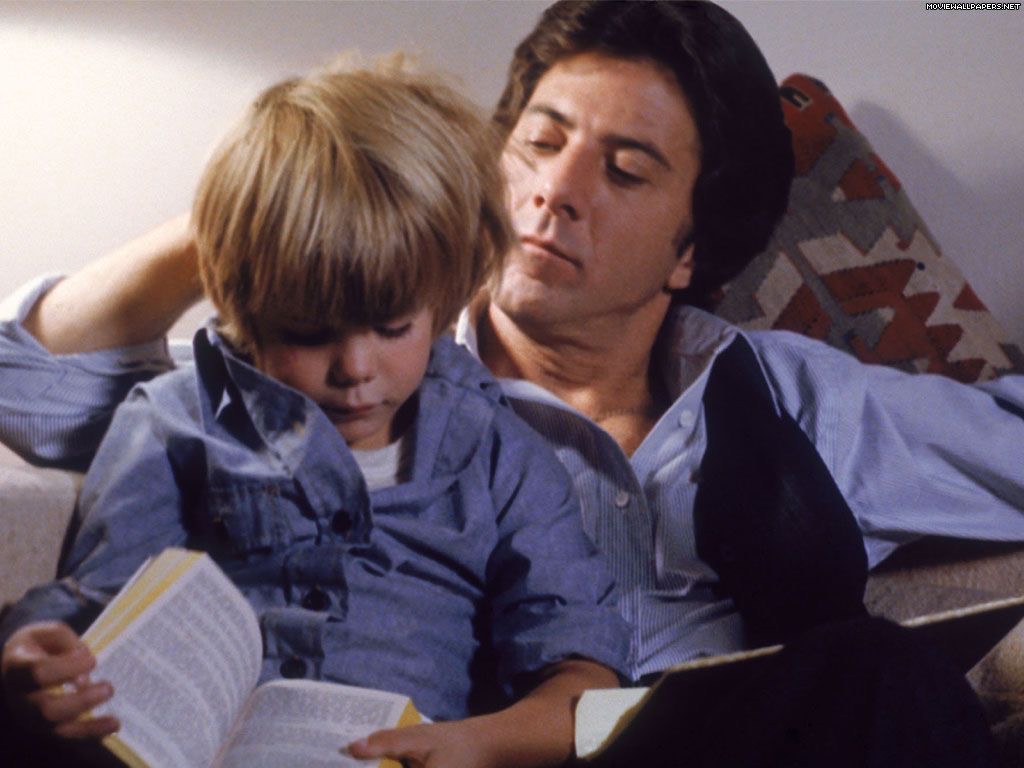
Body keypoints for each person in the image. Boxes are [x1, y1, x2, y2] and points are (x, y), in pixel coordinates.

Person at [2, 0, 1023, 764]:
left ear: (690, 249)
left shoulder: (796, 398)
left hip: (693, 745)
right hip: (425, 746)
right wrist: (289, 199)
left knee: (884, 676)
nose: (554, 192)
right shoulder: (339, 377)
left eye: (624, 171)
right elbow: (28, 383)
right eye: (539, 141)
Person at [0, 59, 630, 768]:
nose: (355, 369)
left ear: (444, 300)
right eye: (307, 333)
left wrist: (475, 744)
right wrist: (35, 661)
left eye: (392, 328)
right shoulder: (174, 421)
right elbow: (101, 609)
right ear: (245, 308)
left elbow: (582, 677)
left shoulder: (499, 456)